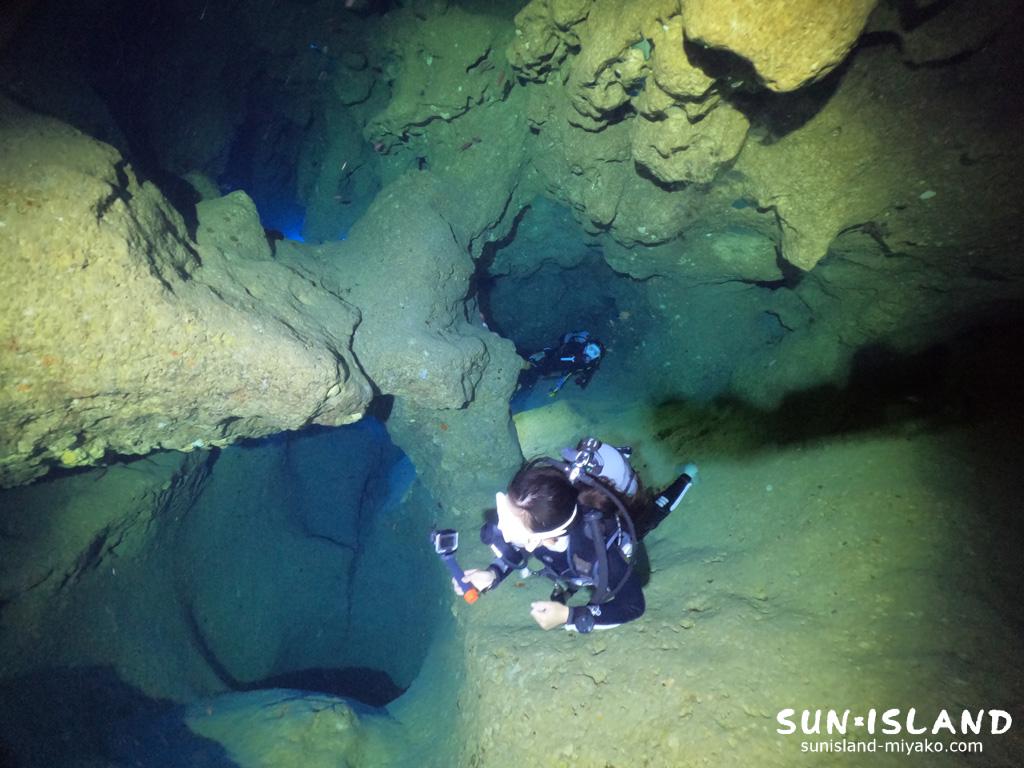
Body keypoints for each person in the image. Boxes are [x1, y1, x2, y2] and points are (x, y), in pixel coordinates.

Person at [458, 439, 697, 632]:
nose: (503, 529)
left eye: (512, 523)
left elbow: (633, 606)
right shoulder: (538, 524)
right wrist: (492, 574)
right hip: (568, 557)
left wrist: (570, 616)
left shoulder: (596, 553)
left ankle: (684, 481)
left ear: (543, 534)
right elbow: (520, 549)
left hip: (614, 538)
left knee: (645, 521)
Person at [518, 331, 605, 396]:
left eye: (595, 353)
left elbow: (583, 373)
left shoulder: (592, 364)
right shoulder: (574, 346)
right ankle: (521, 354)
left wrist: (583, 380)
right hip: (555, 357)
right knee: (540, 364)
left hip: (560, 366)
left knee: (541, 371)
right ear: (586, 346)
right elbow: (558, 359)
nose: (590, 354)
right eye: (591, 349)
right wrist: (573, 359)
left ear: (597, 357)